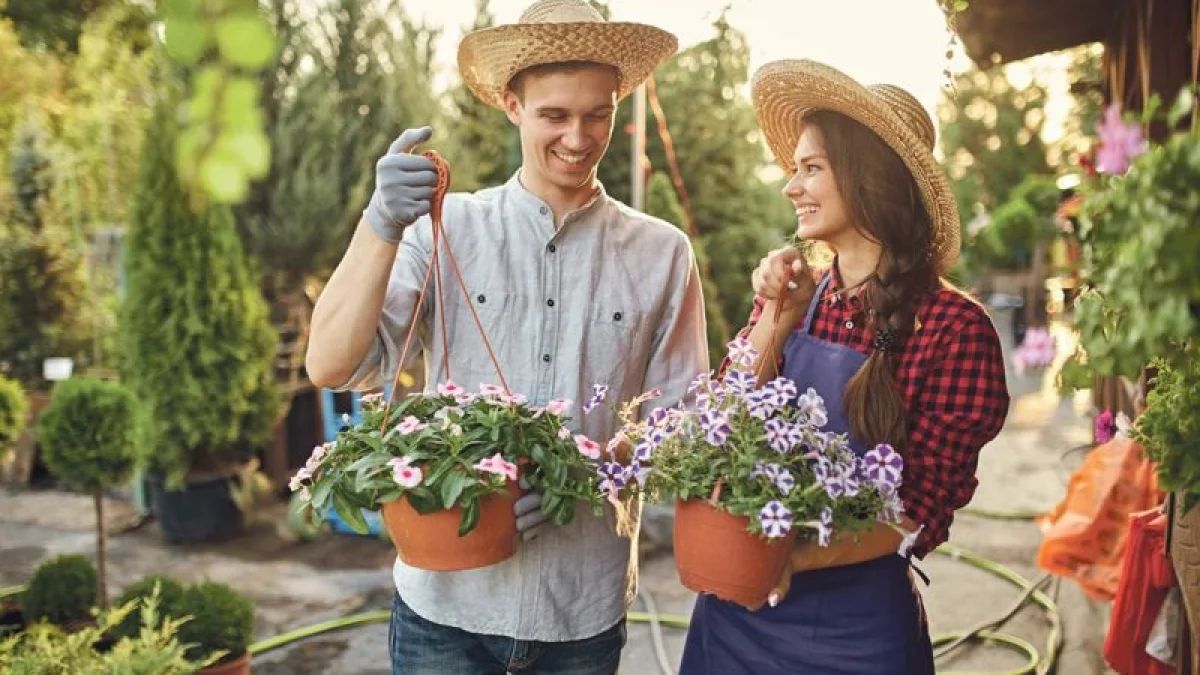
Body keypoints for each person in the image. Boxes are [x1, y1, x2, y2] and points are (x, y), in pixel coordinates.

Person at [305, 1, 708, 673]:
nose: (578, 137)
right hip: (443, 611)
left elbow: (678, 421)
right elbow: (331, 361)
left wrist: (589, 464)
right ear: (510, 103)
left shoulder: (663, 253)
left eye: (597, 114)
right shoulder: (447, 228)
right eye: (554, 114)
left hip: (581, 606)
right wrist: (379, 224)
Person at [679, 59, 1011, 674]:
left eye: (811, 168)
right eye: (794, 168)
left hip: (852, 637)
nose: (790, 186)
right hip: (733, 618)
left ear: (869, 178)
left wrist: (790, 557)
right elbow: (717, 427)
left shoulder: (955, 331)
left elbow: (918, 511)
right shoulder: (798, 296)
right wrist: (775, 318)